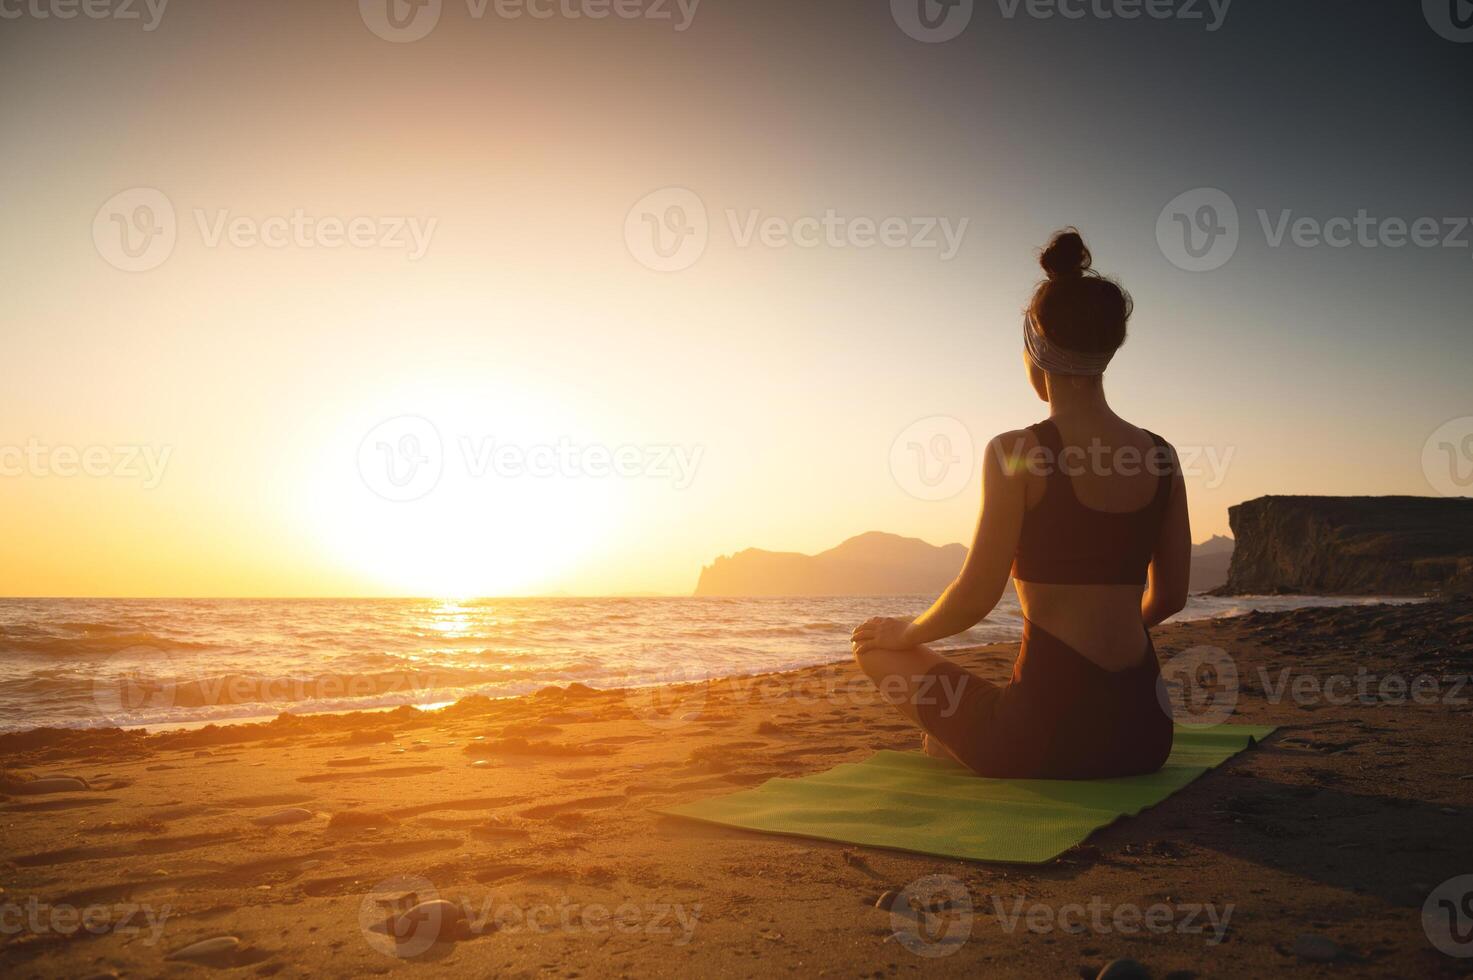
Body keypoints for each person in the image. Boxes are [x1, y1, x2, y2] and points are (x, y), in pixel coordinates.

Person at [850, 229, 1191, 779]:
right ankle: (957, 739)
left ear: (1034, 348)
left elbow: (974, 597)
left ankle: (959, 740)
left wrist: (904, 632)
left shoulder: (1016, 453)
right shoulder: (1162, 456)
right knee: (972, 719)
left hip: (1043, 740)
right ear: (1108, 351)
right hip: (1146, 736)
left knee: (873, 650)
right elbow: (1171, 595)